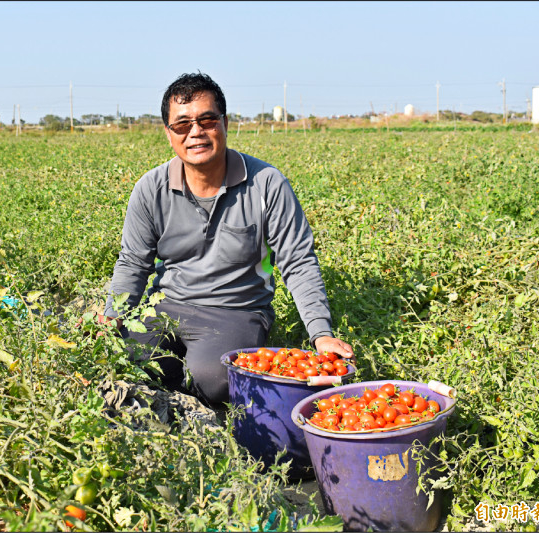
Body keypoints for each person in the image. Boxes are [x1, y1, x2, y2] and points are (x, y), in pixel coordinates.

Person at [101, 72, 353, 407]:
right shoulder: (151, 188)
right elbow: (134, 261)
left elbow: (298, 261)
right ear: (168, 133)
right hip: (165, 305)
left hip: (236, 310)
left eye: (207, 120)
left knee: (214, 380)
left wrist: (320, 334)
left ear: (225, 123)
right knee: (125, 360)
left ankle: (193, 387)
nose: (196, 132)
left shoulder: (267, 184)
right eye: (183, 124)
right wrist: (112, 314)